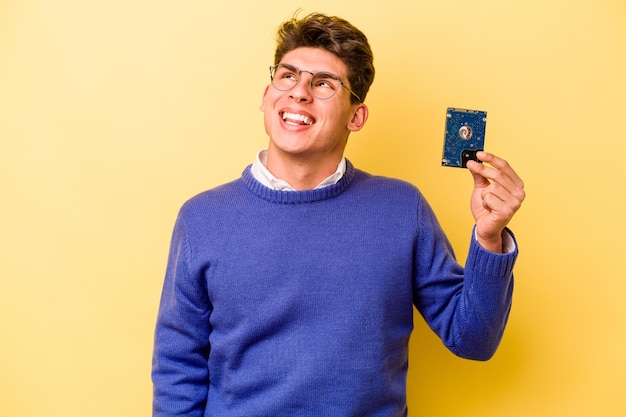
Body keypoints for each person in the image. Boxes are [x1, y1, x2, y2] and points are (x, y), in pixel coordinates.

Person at [152, 12, 525, 417]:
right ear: (266, 95)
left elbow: (473, 339)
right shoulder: (203, 218)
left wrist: (489, 239)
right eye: (288, 76)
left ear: (356, 116)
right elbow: (177, 367)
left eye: (324, 84)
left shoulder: (401, 208)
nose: (299, 93)